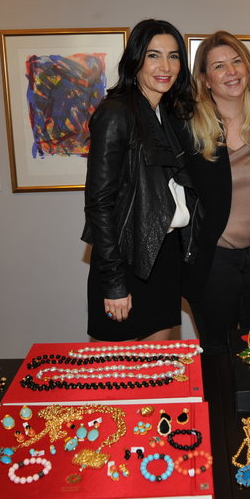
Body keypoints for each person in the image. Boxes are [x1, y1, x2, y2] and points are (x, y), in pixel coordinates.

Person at [81, 18, 200, 341]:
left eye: (173, 56)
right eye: (153, 55)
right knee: (120, 368)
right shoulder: (116, 112)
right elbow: (99, 203)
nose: (165, 66)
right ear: (136, 60)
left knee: (158, 364)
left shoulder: (168, 114)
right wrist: (114, 282)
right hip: (127, 259)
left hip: (164, 257)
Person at [183, 31, 250, 354]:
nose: (231, 72)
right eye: (219, 66)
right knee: (218, 355)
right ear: (206, 79)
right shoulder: (190, 129)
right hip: (215, 263)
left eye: (237, 61)